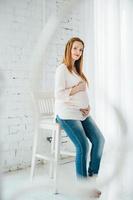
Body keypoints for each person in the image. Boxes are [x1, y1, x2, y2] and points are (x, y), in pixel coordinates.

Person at [54, 37, 105, 198]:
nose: (78, 52)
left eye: (81, 50)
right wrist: (77, 89)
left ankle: (92, 180)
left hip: (82, 113)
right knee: (83, 145)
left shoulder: (77, 70)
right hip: (66, 113)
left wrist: (87, 106)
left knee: (99, 140)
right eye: (75, 48)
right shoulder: (62, 69)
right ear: (69, 48)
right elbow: (58, 94)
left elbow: (82, 93)